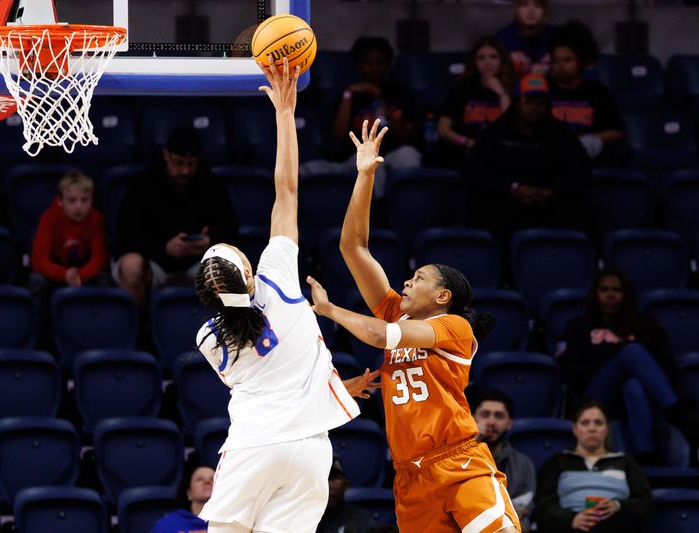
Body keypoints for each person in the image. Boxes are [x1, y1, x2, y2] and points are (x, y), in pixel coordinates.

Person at [193, 57, 378, 533]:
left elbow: (270, 380)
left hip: (254, 446)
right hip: (311, 452)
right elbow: (287, 191)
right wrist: (284, 112)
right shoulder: (278, 280)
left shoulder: (207, 339)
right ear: (249, 270)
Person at [308, 118, 520, 532]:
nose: (406, 281)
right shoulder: (397, 312)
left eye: (419, 277)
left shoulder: (454, 328)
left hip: (458, 461)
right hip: (409, 476)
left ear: (443, 296)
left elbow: (378, 335)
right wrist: (365, 175)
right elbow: (352, 247)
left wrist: (330, 310)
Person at [556, 267, 699, 461]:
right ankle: (679, 414)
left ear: (626, 294)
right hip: (597, 396)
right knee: (632, 351)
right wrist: (616, 360)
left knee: (633, 385)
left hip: (641, 398)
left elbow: (666, 366)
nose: (610, 295)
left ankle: (646, 454)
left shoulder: (646, 325)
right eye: (604, 290)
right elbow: (569, 371)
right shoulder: (579, 325)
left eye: (617, 290)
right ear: (595, 293)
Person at [114, 126, 239, 305]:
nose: (185, 171)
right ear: (166, 156)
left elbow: (231, 235)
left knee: (225, 264)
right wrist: (165, 247)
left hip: (198, 264)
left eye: (191, 164)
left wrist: (209, 244)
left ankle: (220, 331)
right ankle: (138, 330)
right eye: (179, 163)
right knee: (130, 265)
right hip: (155, 263)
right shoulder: (143, 184)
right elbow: (126, 236)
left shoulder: (212, 185)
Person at [464, 72, 591, 243]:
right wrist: (513, 188)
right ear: (517, 103)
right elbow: (477, 171)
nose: (534, 107)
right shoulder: (496, 131)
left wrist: (553, 190)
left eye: (540, 103)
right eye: (528, 102)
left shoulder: (562, 133)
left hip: (551, 204)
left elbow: (580, 171)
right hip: (506, 203)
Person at [302, 36, 420, 198]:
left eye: (379, 64)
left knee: (409, 154)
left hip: (391, 154)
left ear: (387, 66)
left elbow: (408, 137)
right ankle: (376, 215)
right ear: (358, 66)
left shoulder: (401, 95)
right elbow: (339, 134)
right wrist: (349, 94)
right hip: (353, 157)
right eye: (368, 63)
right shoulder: (345, 95)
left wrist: (388, 112)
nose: (373, 68)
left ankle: (409, 205)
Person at [534, 402, 653, 533]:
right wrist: (571, 520)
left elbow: (644, 502)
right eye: (585, 423)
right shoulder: (556, 462)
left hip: (616, 525)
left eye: (598, 423)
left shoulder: (625, 462)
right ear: (574, 428)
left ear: (607, 428)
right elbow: (543, 506)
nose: (592, 428)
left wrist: (618, 506)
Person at [29, 170, 109, 313]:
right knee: (37, 282)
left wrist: (81, 276)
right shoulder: (49, 218)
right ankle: (40, 332)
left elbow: (100, 259)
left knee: (105, 280)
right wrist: (65, 275)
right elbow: (39, 260)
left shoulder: (96, 219)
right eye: (72, 200)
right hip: (56, 271)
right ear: (60, 201)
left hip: (84, 271)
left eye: (85, 200)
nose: (78, 206)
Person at [548, 23, 625, 166]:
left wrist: (590, 139)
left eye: (567, 60)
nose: (561, 66)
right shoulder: (543, 90)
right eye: (556, 61)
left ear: (581, 62)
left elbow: (617, 131)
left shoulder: (598, 92)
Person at [436, 36, 515, 169]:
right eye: (481, 58)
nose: (487, 62)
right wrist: (468, 142)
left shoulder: (510, 89)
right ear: (475, 62)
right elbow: (443, 130)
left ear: (501, 61)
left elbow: (512, 126)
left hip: (499, 150)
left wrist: (501, 92)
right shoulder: (461, 89)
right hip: (464, 150)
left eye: (493, 57)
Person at [472, 389, 536, 531]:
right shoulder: (458, 457)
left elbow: (522, 513)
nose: (491, 422)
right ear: (472, 418)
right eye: (485, 414)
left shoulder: (523, 464)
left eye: (499, 416)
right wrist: (474, 441)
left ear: (509, 423)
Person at [316, 455, 379, 533]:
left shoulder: (362, 521)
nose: (329, 485)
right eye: (323, 478)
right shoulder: (301, 517)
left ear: (346, 484)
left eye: (334, 478)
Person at [495, 0, 555, 75]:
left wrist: (554, 62)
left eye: (537, 6)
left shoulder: (557, 36)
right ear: (516, 9)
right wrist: (506, 59)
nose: (531, 11)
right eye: (524, 5)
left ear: (544, 11)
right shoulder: (501, 38)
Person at [150, 464, 215, 533]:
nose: (207, 482)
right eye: (199, 479)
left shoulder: (227, 522)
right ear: (189, 493)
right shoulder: (167, 524)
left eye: (213, 479)